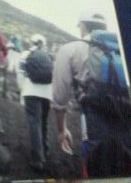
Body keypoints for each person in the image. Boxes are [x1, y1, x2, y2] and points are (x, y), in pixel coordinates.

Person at [52, 12, 131, 177]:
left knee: (96, 165)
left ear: (83, 26)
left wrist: (62, 129)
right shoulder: (121, 47)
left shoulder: (70, 49)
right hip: (126, 114)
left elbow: (60, 98)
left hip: (94, 120)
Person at [17, 34, 53, 172]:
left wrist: (21, 91)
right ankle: (45, 150)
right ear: (43, 43)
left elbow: (20, 74)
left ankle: (38, 160)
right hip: (47, 93)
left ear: (31, 42)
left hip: (31, 91)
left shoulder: (25, 54)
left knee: (34, 124)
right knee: (43, 122)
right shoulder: (48, 56)